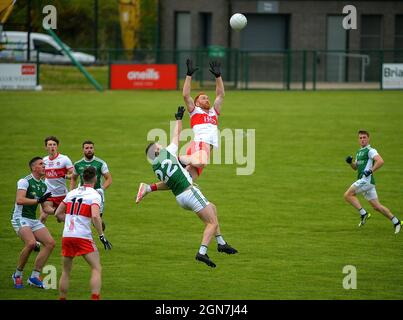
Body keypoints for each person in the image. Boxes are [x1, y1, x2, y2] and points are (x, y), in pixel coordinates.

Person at [136, 106, 237, 268]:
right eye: (158, 146)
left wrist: (150, 188)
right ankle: (202, 253)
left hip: (180, 198)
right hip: (189, 192)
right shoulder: (168, 152)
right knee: (211, 223)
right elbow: (177, 136)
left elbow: (170, 184)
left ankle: (221, 243)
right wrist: (178, 118)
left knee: (212, 207)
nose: (161, 146)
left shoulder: (156, 168)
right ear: (156, 151)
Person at [55, 166, 112, 300]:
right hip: (83, 237)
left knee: (66, 271)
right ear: (95, 178)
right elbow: (95, 217)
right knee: (96, 268)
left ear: (81, 178)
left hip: (67, 235)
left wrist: (71, 220)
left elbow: (58, 213)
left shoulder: (72, 193)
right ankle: (95, 298)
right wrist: (101, 235)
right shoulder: (94, 195)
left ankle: (62, 298)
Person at [11, 157, 56, 289]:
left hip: (32, 220)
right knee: (31, 243)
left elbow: (46, 208)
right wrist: (38, 201)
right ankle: (17, 275)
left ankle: (34, 277)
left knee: (50, 243)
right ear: (33, 167)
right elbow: (19, 200)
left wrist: (61, 212)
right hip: (20, 217)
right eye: (41, 164)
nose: (44, 166)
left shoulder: (44, 185)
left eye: (44, 164)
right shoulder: (25, 181)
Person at [344, 130, 401, 233]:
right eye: (360, 138)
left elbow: (380, 161)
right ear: (358, 139)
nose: (362, 139)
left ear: (368, 138)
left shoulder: (371, 150)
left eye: (364, 137)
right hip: (366, 182)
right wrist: (350, 163)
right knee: (377, 207)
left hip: (366, 180)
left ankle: (363, 214)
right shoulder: (359, 152)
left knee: (348, 195)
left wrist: (371, 170)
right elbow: (355, 167)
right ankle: (396, 222)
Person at [180, 58, 225, 180]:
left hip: (206, 148)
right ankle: (176, 160)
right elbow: (186, 95)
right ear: (197, 103)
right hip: (200, 144)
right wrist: (189, 75)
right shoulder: (195, 111)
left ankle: (149, 188)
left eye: (207, 98)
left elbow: (220, 95)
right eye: (203, 98)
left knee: (186, 180)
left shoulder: (214, 112)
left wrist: (218, 76)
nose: (207, 99)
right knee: (201, 163)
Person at [70, 140, 112, 230]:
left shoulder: (100, 163)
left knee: (95, 219)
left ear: (94, 149)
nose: (89, 150)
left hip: (96, 194)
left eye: (91, 148)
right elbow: (73, 178)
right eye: (87, 148)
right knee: (82, 218)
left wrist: (102, 189)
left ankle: (100, 233)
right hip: (82, 194)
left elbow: (109, 179)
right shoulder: (78, 164)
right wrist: (72, 192)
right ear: (83, 150)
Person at [42, 135, 74, 216]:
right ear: (46, 147)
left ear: (57, 146)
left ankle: (58, 214)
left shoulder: (64, 159)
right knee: (43, 216)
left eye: (54, 144)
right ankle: (34, 229)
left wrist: (65, 176)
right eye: (50, 145)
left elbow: (74, 175)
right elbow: (42, 175)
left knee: (64, 216)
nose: (52, 147)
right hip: (48, 193)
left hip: (61, 194)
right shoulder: (44, 160)